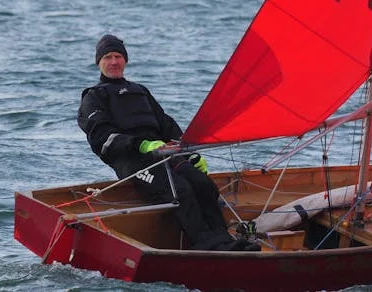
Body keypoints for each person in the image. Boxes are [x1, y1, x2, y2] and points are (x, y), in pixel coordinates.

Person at [77, 34, 260, 252]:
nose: (114, 62)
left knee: (203, 184)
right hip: (132, 163)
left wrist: (190, 153)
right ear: (99, 62)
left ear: (125, 60)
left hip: (162, 155)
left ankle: (225, 240)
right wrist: (141, 145)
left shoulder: (140, 91)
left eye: (118, 56)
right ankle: (206, 244)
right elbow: (102, 138)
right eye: (107, 57)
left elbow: (166, 125)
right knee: (180, 189)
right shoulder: (93, 96)